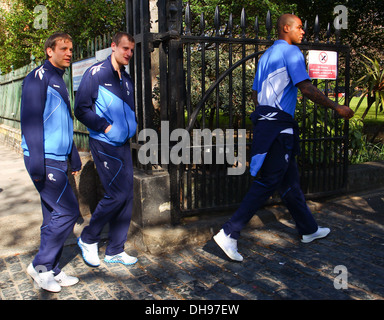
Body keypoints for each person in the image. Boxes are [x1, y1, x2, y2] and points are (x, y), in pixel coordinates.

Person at [213, 14, 354, 262]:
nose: (303, 32)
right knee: (268, 181)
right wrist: (337, 107)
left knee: (290, 182)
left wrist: (265, 115)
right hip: (279, 127)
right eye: (299, 27)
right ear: (285, 28)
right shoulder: (291, 53)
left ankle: (308, 230)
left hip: (268, 125)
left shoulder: (266, 56)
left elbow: (256, 95)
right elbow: (306, 87)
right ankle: (229, 232)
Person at [21, 32, 81, 292]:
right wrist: (36, 163)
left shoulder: (58, 79)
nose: (69, 53)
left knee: (52, 216)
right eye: (63, 48)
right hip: (43, 158)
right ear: (49, 51)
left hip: (58, 158)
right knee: (68, 211)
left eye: (70, 49)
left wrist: (74, 156)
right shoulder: (38, 78)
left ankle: (52, 270)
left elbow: (63, 122)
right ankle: (40, 266)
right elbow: (31, 122)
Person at [74, 32, 138, 267]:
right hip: (104, 143)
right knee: (117, 194)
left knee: (127, 195)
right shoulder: (97, 73)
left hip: (122, 144)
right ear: (113, 46)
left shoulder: (127, 78)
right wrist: (106, 127)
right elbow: (80, 109)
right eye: (125, 49)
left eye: (131, 49)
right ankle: (89, 239)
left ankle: (114, 250)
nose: (129, 53)